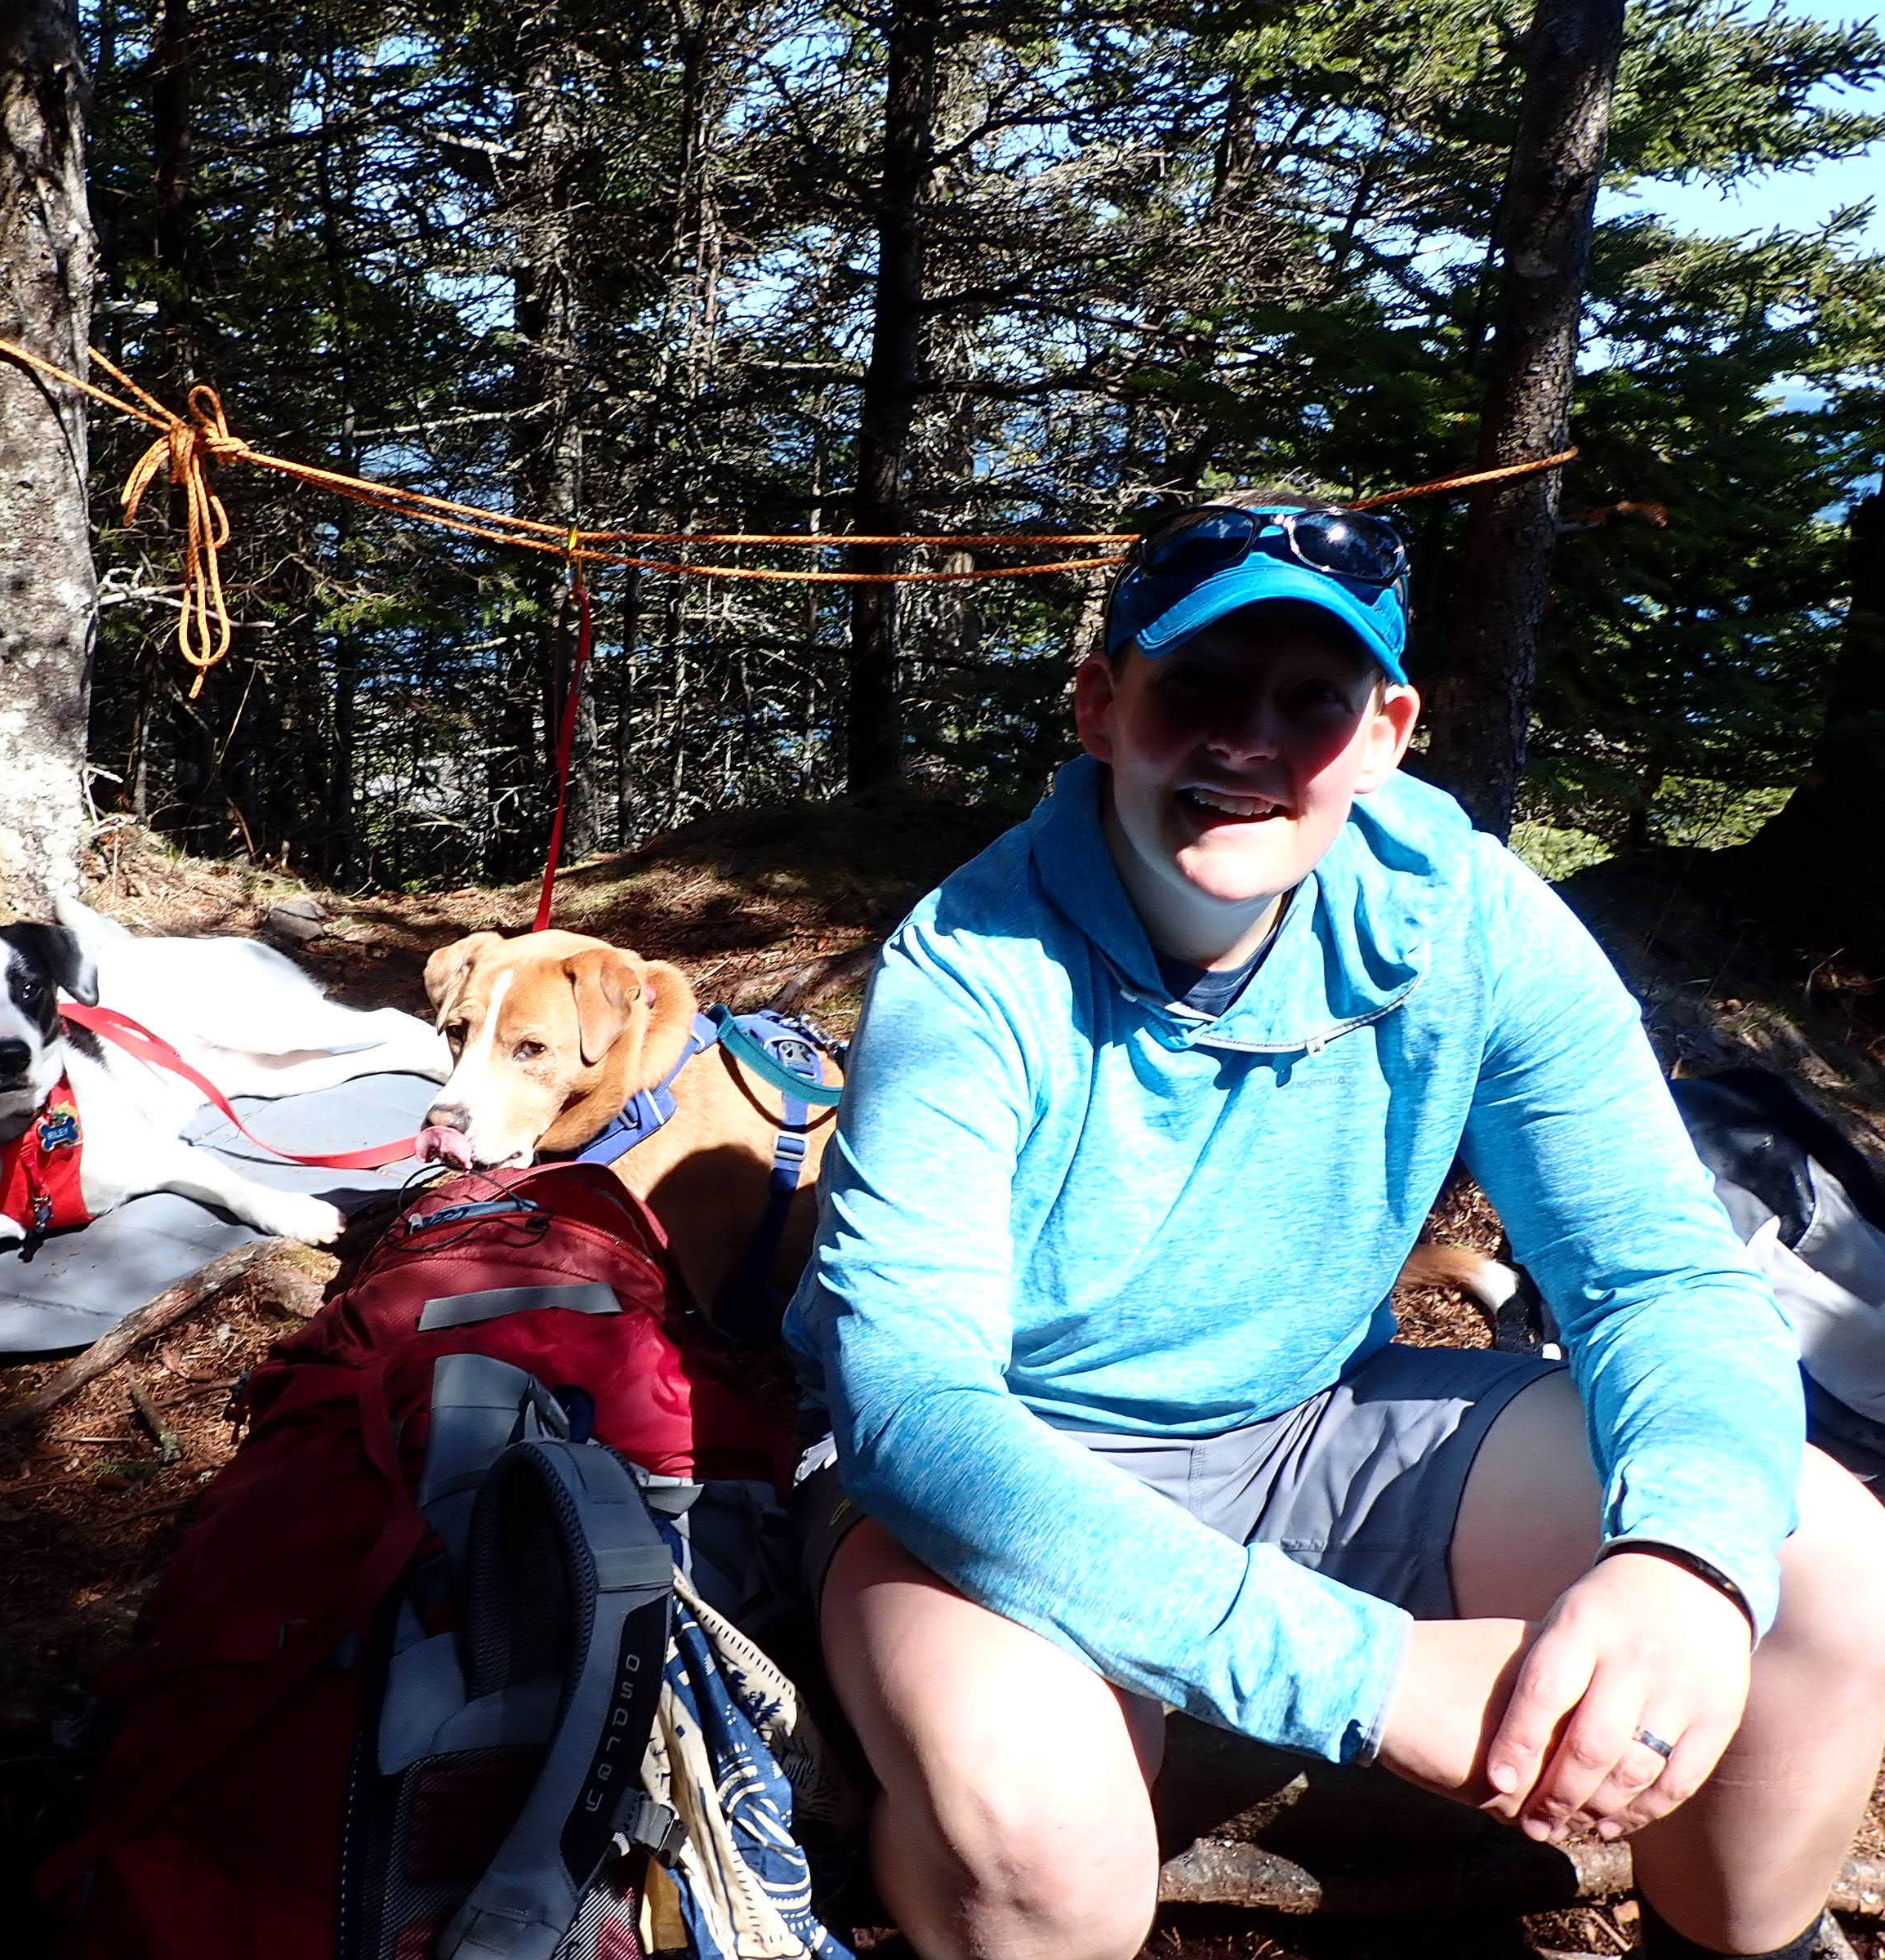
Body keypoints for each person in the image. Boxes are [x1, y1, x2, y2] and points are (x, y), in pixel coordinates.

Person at [784, 496, 1885, 1960]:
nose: (1249, 742)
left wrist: (1683, 1559)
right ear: (1102, 709)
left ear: (1387, 733)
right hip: (1006, 1466)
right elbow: (915, 1411)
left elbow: (1657, 1272)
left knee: (1815, 1567)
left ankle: (1734, 1941)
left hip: (1314, 1421)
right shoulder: (970, 969)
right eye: (1198, 688)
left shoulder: (1470, 923)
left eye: (1313, 700)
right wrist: (1366, 1675)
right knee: (1040, 1847)